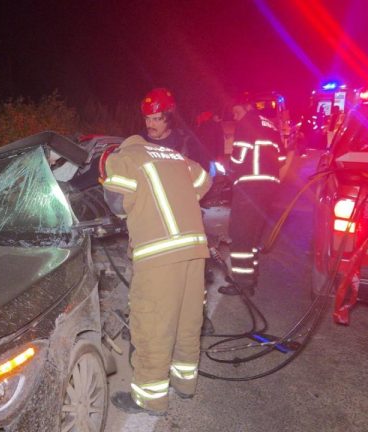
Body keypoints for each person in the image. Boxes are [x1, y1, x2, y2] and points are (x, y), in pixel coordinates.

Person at [101, 134, 212, 415]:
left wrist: (106, 180)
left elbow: (116, 204)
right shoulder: (173, 156)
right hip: (195, 250)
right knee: (187, 321)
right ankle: (185, 385)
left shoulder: (123, 158)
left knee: (152, 326)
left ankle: (150, 399)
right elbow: (203, 182)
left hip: (160, 255)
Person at [219, 99, 285, 296]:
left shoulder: (246, 123)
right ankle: (251, 274)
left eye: (237, 111)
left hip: (250, 185)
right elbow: (281, 158)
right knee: (253, 234)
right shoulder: (270, 125)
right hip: (269, 186)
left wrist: (229, 167)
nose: (236, 117)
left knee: (239, 234)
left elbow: (238, 157)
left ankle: (243, 284)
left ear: (248, 107)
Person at [140, 87, 210, 169]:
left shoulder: (187, 143)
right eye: (147, 118)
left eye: (156, 119)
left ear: (169, 118)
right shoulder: (137, 142)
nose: (150, 124)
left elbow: (203, 175)